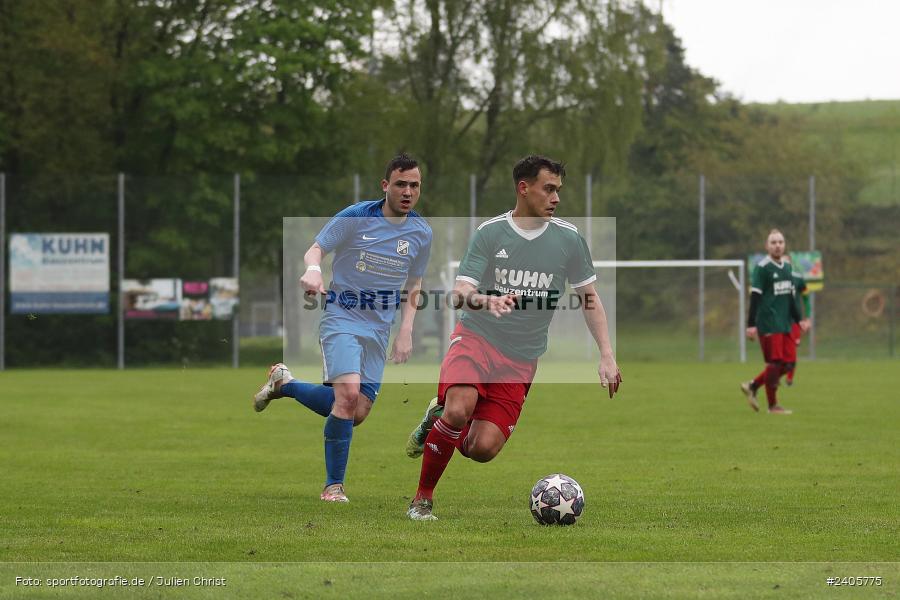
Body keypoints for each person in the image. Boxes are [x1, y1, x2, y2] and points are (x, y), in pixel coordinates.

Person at [404, 155, 621, 521]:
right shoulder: (491, 233)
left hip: (521, 358)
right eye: (548, 189)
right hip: (476, 336)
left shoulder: (568, 239)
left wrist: (607, 355)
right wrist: (486, 300)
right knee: (460, 409)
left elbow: (589, 298)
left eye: (558, 191)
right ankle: (422, 500)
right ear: (524, 188)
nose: (556, 198)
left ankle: (436, 418)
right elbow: (459, 293)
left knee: (481, 448)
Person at [252, 153, 432, 502]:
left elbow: (415, 284)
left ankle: (285, 384)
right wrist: (314, 270)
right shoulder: (356, 217)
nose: (408, 191)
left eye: (414, 185)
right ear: (385, 186)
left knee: (356, 411)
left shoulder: (421, 232)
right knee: (347, 397)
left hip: (379, 329)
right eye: (401, 184)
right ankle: (333, 487)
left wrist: (406, 329)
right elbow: (316, 249)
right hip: (342, 318)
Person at [740, 229, 810, 414]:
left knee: (788, 364)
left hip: (785, 323)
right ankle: (773, 406)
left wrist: (799, 320)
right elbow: (755, 297)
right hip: (768, 323)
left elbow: (790, 297)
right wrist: (751, 324)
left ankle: (753, 385)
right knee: (775, 363)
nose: (777, 245)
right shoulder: (762, 268)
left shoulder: (787, 269)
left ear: (784, 245)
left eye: (780, 242)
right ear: (767, 246)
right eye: (773, 242)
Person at [785, 265, 810, 386]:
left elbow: (806, 297)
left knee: (792, 350)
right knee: (777, 352)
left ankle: (789, 379)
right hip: (778, 320)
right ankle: (773, 377)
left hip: (794, 321)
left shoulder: (798, 278)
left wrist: (807, 318)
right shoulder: (772, 277)